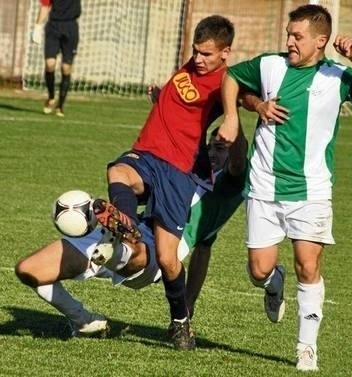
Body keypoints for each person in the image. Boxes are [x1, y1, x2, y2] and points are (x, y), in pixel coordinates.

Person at [217, 4, 352, 372]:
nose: (289, 41)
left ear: (320, 41)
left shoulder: (336, 75)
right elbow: (230, 78)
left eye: (298, 36)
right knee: (258, 270)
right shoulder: (270, 66)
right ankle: (274, 283)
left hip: (311, 192)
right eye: (289, 34)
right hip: (264, 187)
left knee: (308, 266)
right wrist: (249, 108)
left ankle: (305, 348)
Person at [14, 126, 247, 339]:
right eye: (209, 148)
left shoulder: (228, 188)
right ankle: (83, 320)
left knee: (132, 245)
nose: (211, 153)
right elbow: (204, 251)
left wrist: (232, 114)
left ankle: (117, 244)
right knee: (28, 270)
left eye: (219, 148)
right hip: (129, 226)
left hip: (156, 249)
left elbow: (237, 163)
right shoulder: (186, 175)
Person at [91, 15, 235, 350]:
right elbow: (184, 102)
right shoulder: (194, 65)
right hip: (148, 153)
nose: (198, 59)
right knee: (119, 172)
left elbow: (246, 101)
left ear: (225, 53)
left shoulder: (226, 82)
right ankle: (125, 225)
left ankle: (180, 322)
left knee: (169, 260)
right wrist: (163, 97)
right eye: (195, 52)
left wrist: (256, 108)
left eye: (206, 55)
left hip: (179, 171)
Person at [31, 0, 81, 117]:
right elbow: (45, 6)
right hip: (53, 26)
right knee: (50, 64)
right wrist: (37, 27)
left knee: (66, 67)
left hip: (71, 27)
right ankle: (51, 96)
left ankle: (60, 106)